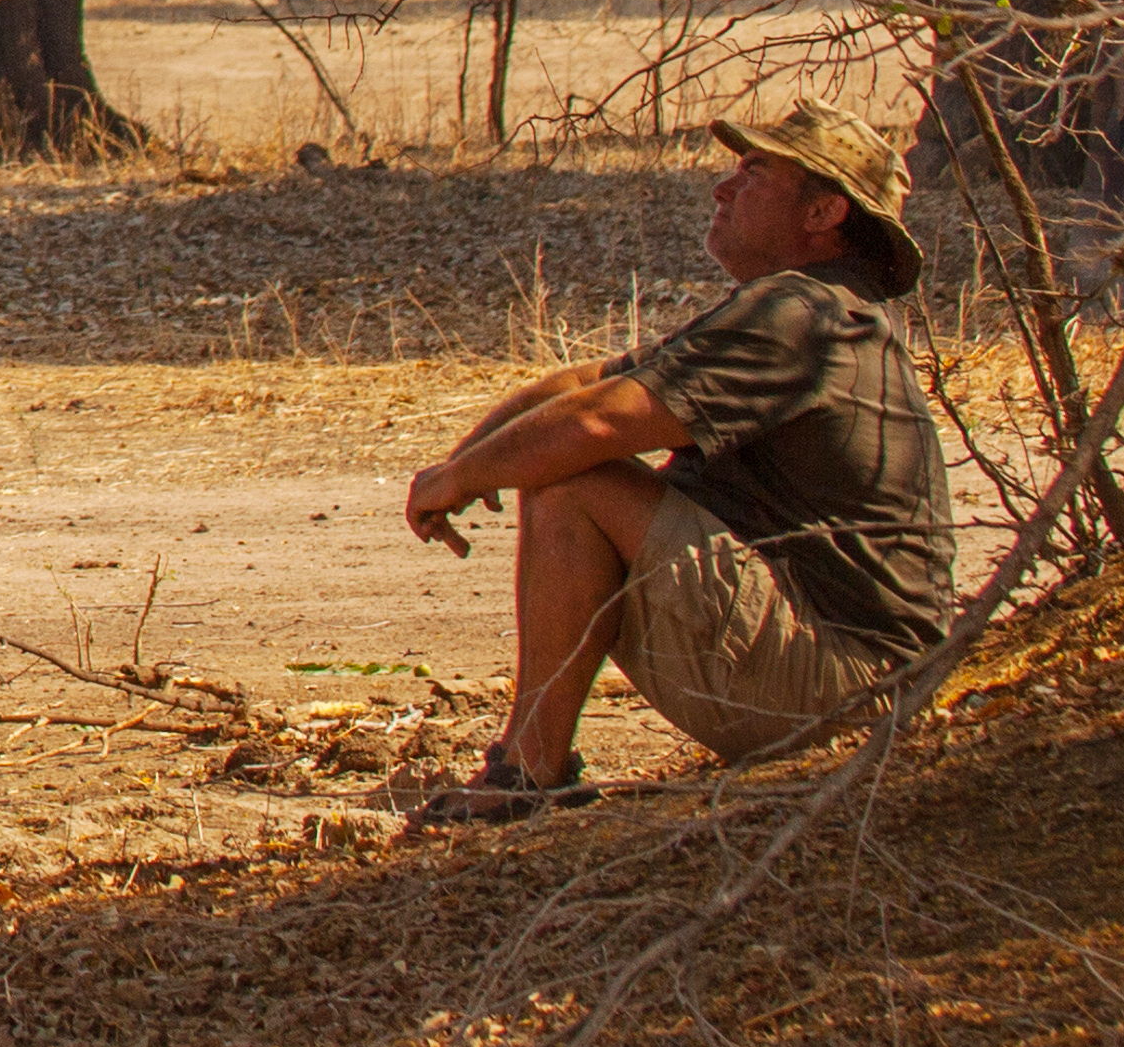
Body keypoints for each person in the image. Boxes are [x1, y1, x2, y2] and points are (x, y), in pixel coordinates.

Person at [403, 99, 956, 821]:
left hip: (851, 695)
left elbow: (596, 423)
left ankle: (529, 775)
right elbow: (581, 386)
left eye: (754, 172)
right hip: (839, 685)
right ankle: (529, 769)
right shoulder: (792, 308)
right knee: (559, 461)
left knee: (572, 480)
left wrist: (458, 479)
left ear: (823, 214)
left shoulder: (804, 315)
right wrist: (466, 461)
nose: (724, 190)